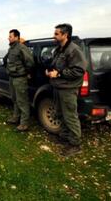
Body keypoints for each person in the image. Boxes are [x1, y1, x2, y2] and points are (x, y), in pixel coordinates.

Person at [46, 23, 87, 156]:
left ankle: (75, 144)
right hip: (58, 87)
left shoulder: (73, 50)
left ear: (65, 35)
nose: (54, 36)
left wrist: (59, 74)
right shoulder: (59, 49)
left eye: (57, 34)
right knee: (60, 113)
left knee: (70, 116)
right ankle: (64, 137)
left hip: (68, 89)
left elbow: (79, 70)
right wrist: (50, 70)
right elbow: (56, 64)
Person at [3, 29, 34, 131]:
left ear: (16, 37)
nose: (8, 38)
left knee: (22, 101)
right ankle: (15, 117)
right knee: (15, 99)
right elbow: (7, 60)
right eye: (9, 36)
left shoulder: (21, 47)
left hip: (20, 78)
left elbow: (30, 62)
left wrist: (27, 72)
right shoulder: (11, 48)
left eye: (10, 36)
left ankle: (24, 124)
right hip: (12, 77)